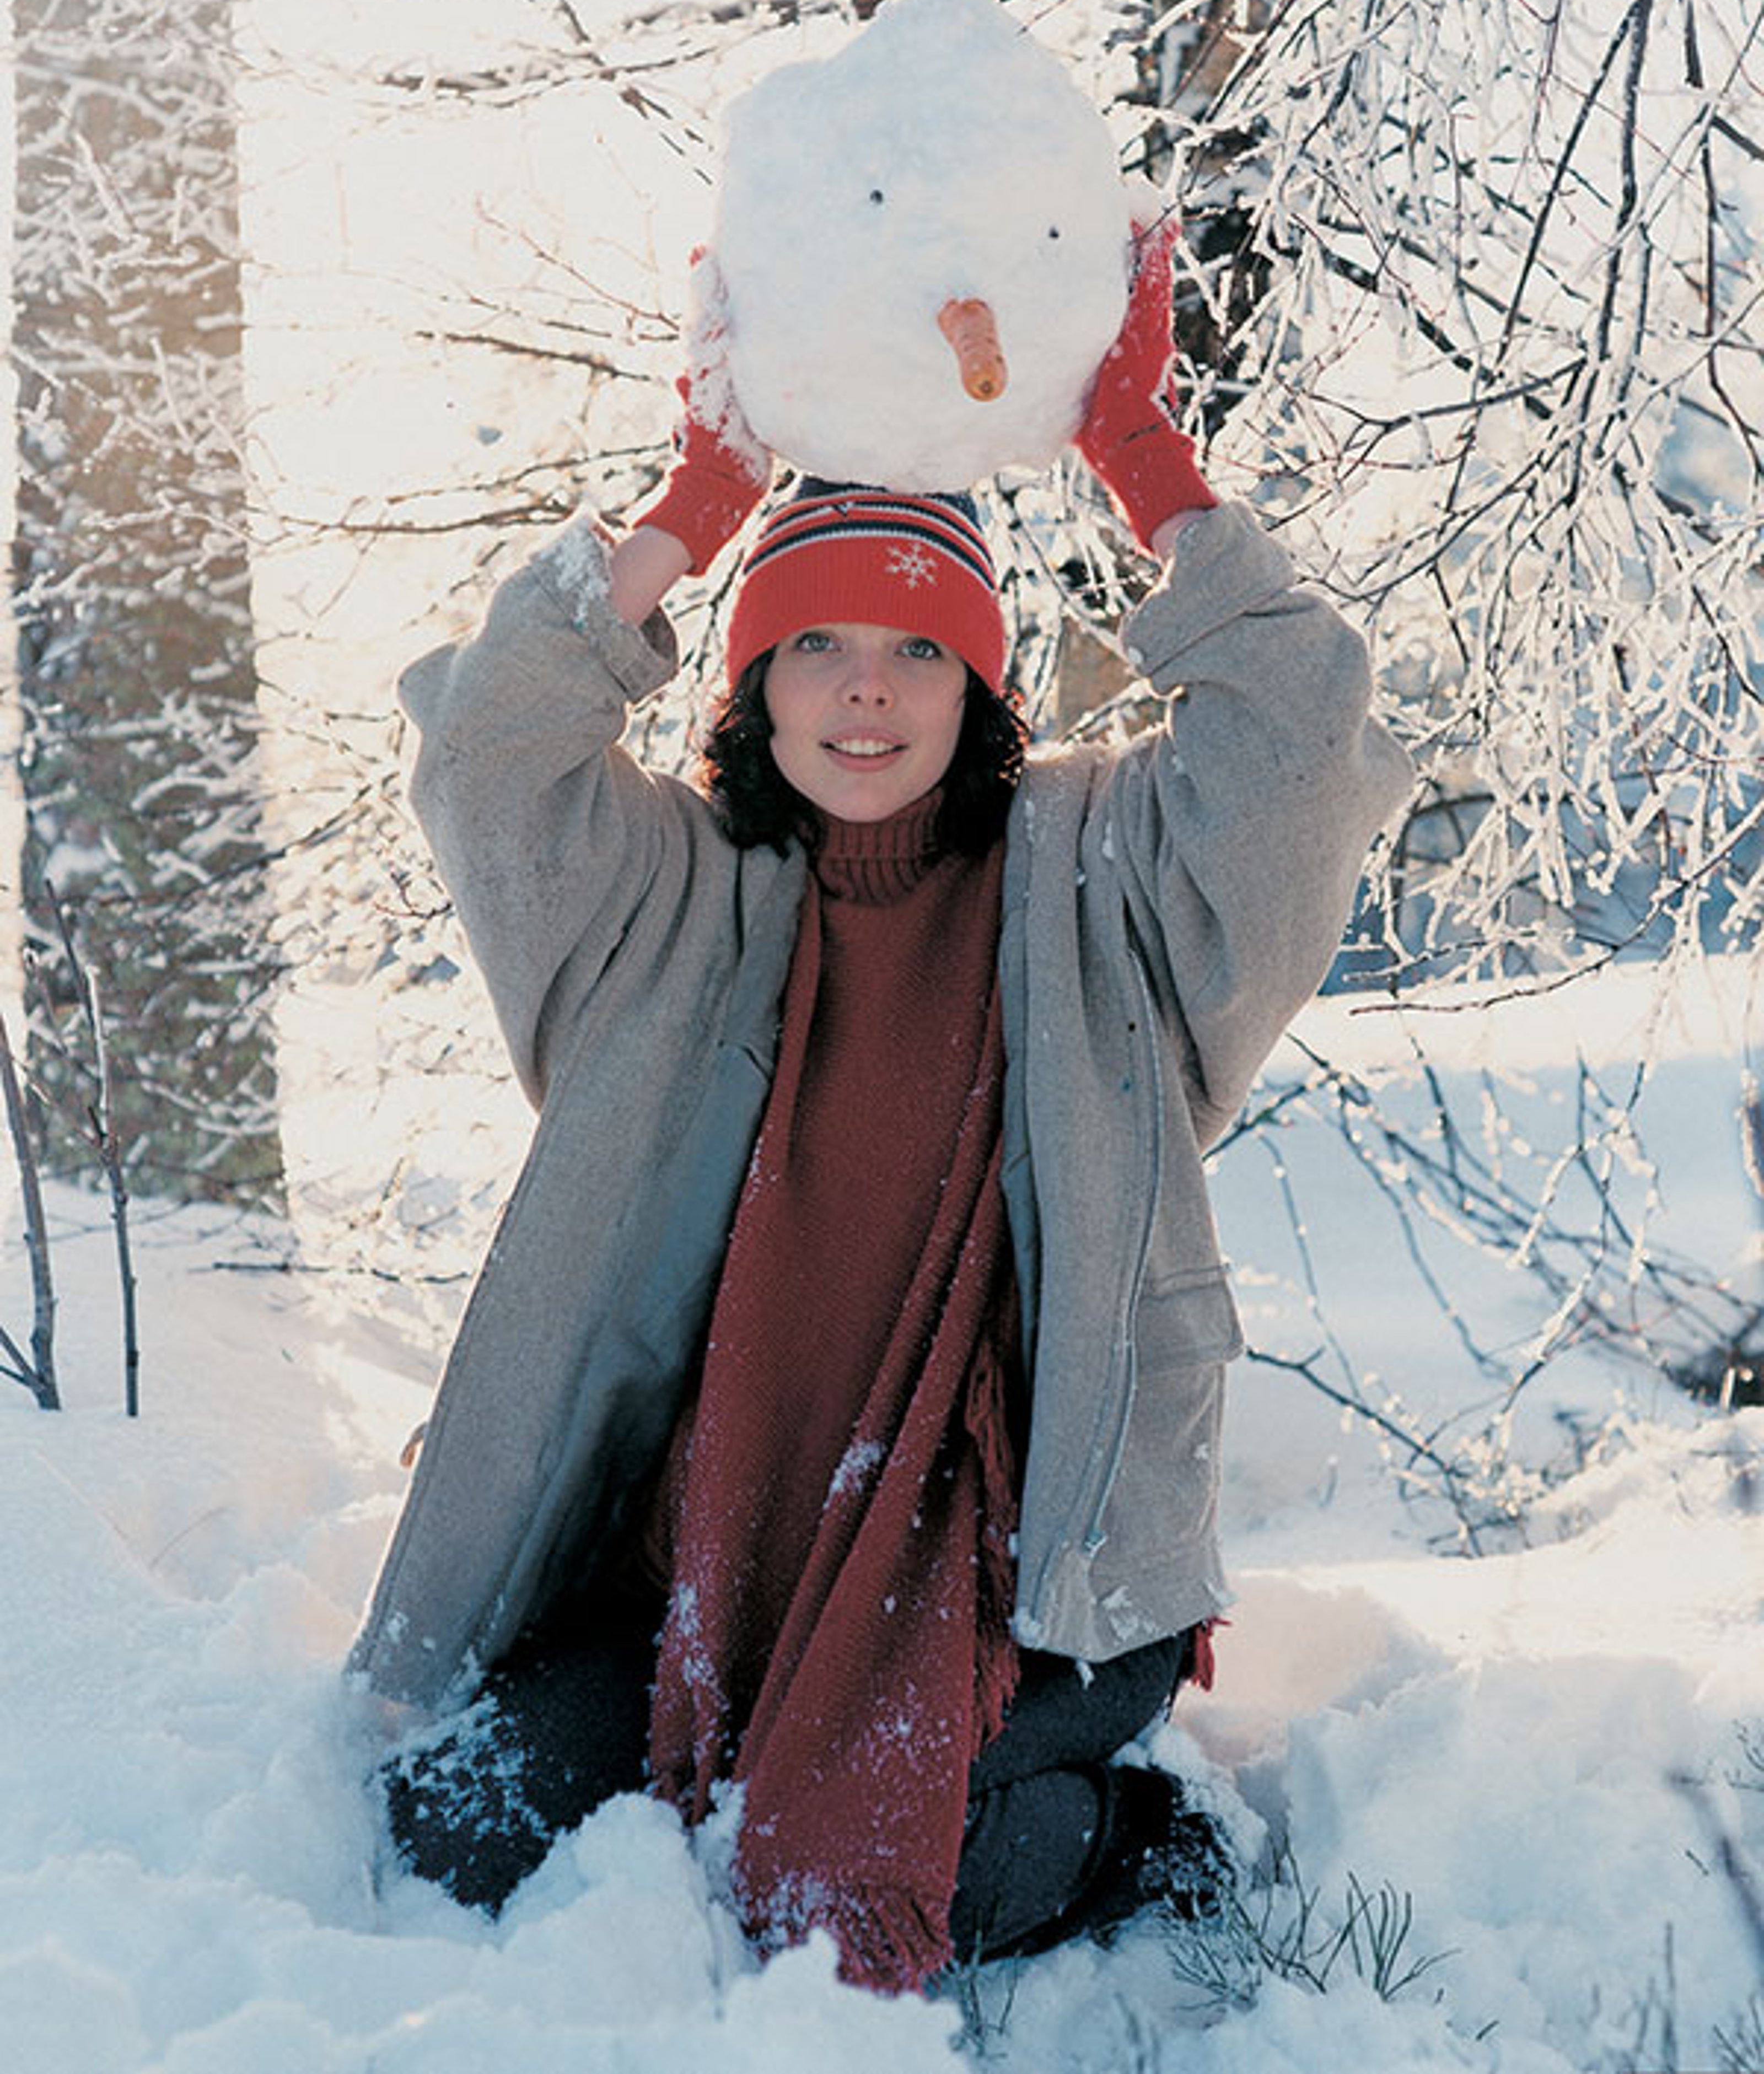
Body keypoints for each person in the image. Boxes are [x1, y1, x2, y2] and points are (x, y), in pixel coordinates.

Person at [348, 225, 1413, 1991]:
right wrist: (704, 491)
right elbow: (486, 750)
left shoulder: (1103, 882)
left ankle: (1129, 1830)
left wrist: (1139, 455)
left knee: (849, 1886)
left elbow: (1304, 737)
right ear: (750, 678)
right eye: (815, 641)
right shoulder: (664, 901)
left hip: (1023, 1574)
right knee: (461, 1818)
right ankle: (780, 1743)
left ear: (980, 680)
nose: (865, 688)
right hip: (713, 1545)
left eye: (919, 649)